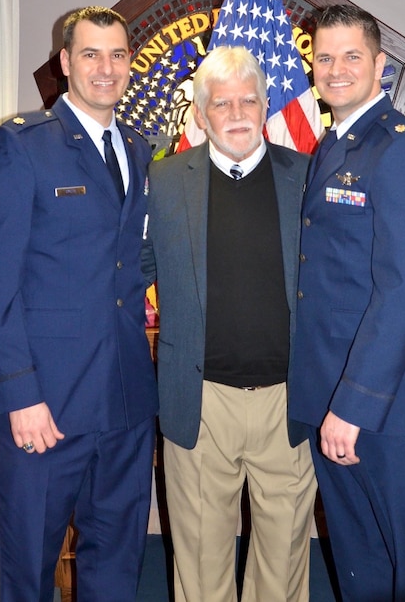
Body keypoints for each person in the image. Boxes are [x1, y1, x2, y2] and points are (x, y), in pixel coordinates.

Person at [0, 6, 158, 602]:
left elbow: (139, 265)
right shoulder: (20, 146)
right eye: (91, 54)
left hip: (125, 402)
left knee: (117, 563)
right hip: (45, 409)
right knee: (30, 571)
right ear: (65, 63)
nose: (107, 67)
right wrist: (19, 397)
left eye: (118, 54)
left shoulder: (139, 149)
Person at [288, 3, 405, 601]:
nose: (336, 69)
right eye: (325, 56)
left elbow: (402, 293)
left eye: (351, 56)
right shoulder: (334, 148)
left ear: (380, 65)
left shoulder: (402, 151)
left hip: (384, 409)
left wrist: (352, 408)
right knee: (360, 561)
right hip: (336, 396)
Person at [142, 45, 317, 602]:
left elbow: (348, 262)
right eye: (222, 103)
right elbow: (122, 268)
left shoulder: (307, 177)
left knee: (284, 556)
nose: (237, 113)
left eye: (249, 100)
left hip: (287, 400)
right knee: (199, 557)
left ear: (267, 105)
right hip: (200, 400)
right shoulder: (164, 182)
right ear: (200, 114)